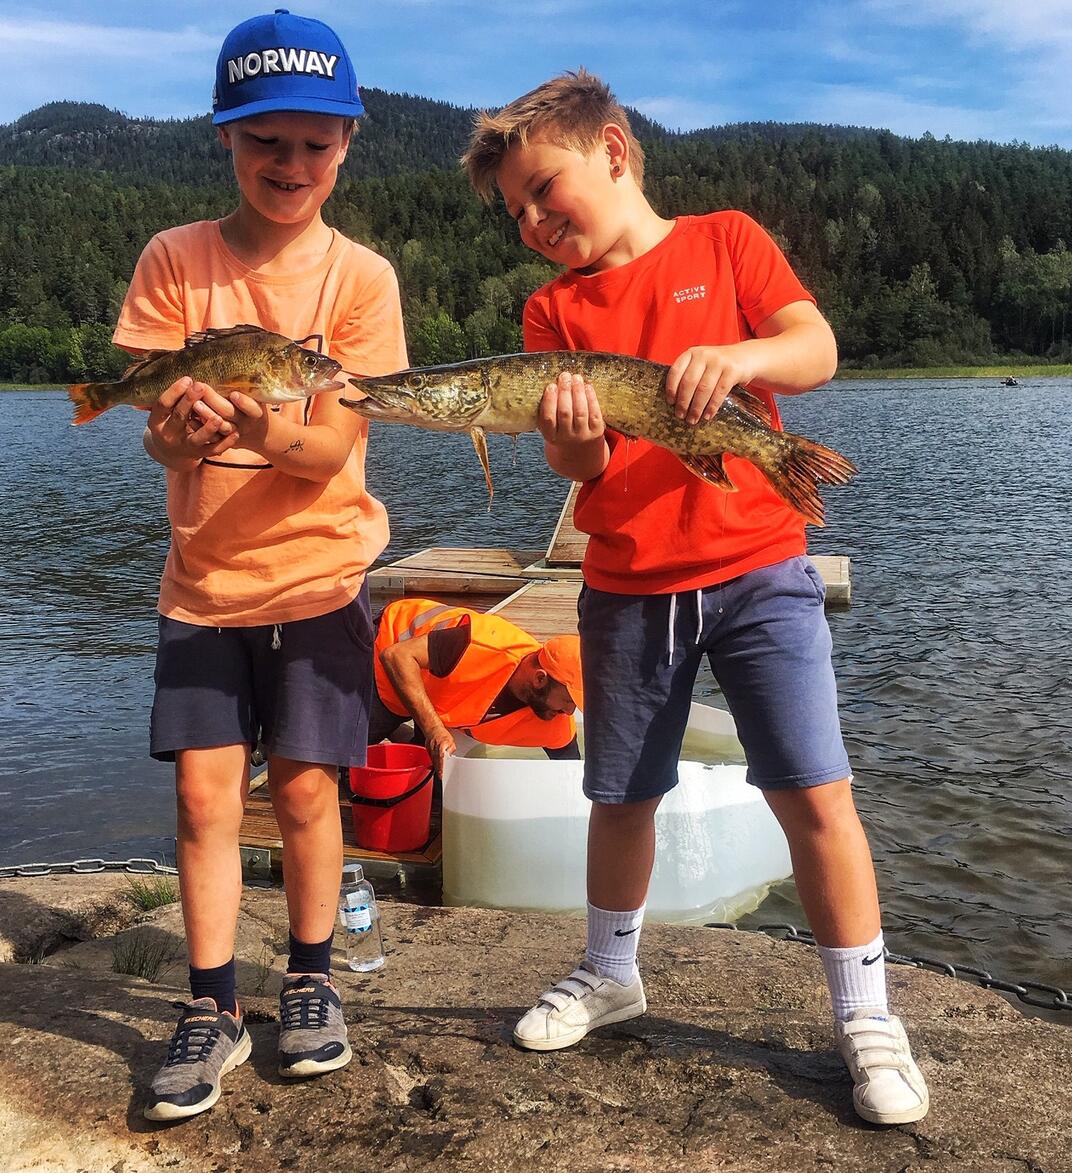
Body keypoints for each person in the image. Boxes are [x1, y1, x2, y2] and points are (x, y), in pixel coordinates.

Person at [461, 70, 929, 1126]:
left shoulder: (726, 241)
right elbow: (579, 468)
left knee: (815, 793)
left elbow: (816, 349)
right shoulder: (551, 310)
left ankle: (866, 1014)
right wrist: (575, 434)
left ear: (613, 152)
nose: (533, 222)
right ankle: (609, 970)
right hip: (627, 586)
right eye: (517, 212)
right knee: (620, 796)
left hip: (762, 569)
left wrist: (742, 355)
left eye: (545, 190)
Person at [113, 11, 408, 1121]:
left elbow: (331, 451)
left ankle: (312, 980)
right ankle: (211, 1007)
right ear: (226, 139)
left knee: (304, 788)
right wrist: (180, 431)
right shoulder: (173, 260)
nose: (290, 164)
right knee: (203, 799)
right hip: (203, 584)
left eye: (314, 144)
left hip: (322, 577)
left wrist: (248, 420)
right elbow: (158, 438)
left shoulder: (361, 280)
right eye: (265, 142)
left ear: (347, 143)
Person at [369, 597, 584, 774]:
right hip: (386, 656)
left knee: (433, 784)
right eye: (568, 700)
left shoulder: (555, 719)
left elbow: (572, 775)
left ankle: (409, 736)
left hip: (439, 692)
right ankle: (392, 727)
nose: (569, 711)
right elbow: (396, 656)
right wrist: (433, 729)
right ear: (540, 679)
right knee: (353, 754)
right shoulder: (477, 644)